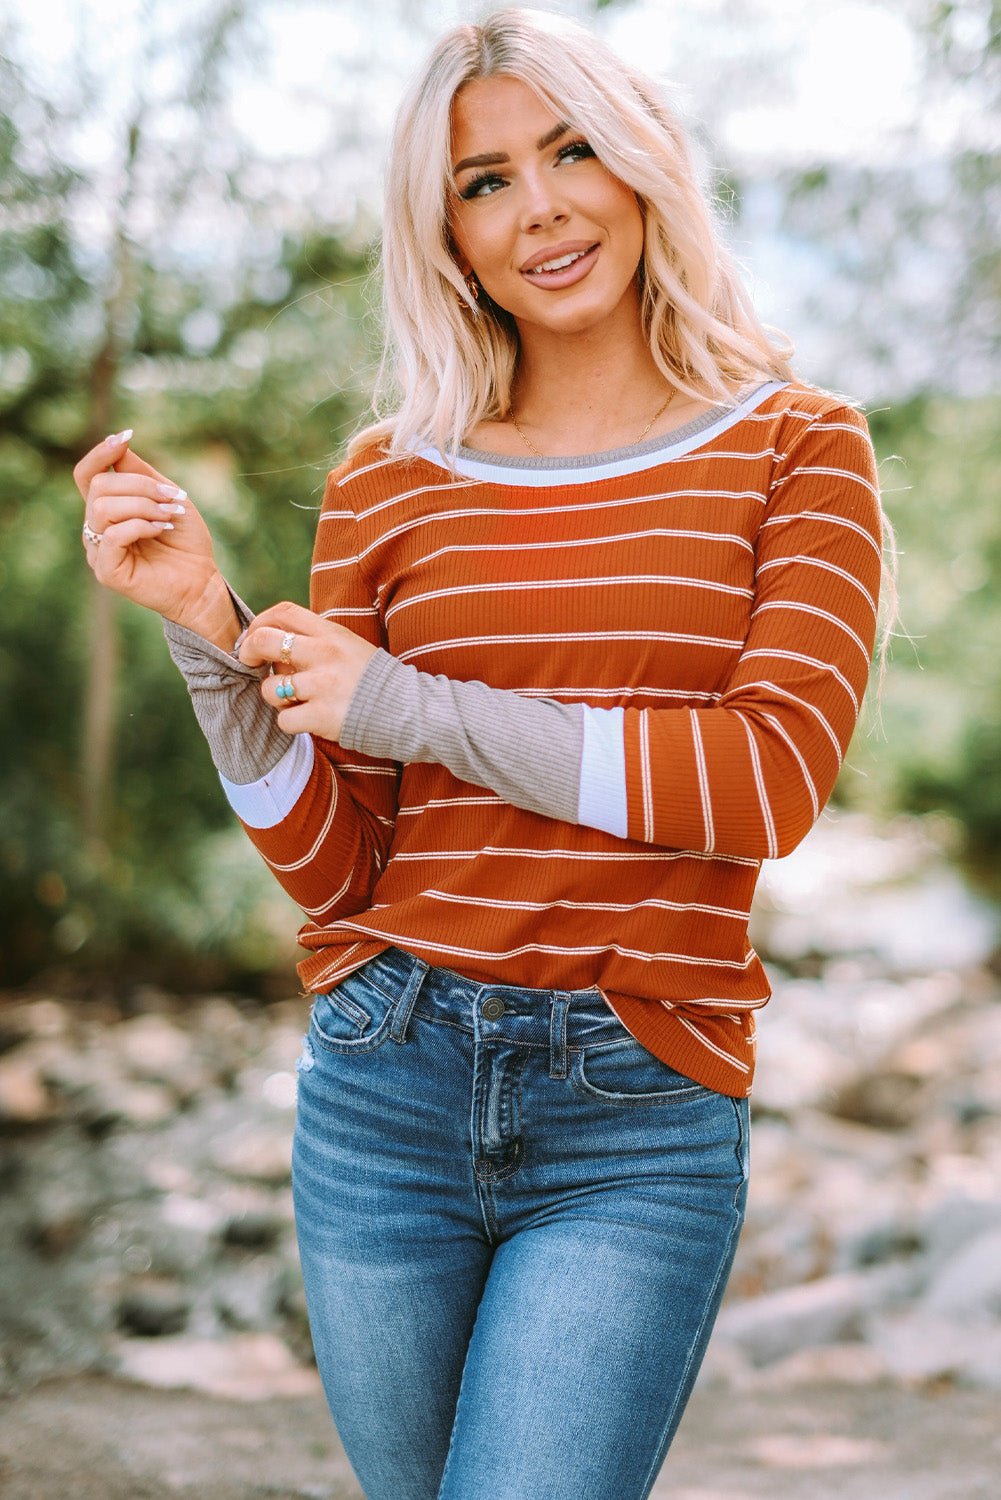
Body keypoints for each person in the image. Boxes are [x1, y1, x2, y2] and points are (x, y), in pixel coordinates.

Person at [73, 9, 885, 1498]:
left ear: (645, 168)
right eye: (484, 179)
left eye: (572, 150)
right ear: (443, 229)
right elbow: (343, 865)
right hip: (386, 1080)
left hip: (633, 1100)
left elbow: (762, 786)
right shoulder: (389, 477)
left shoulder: (798, 448)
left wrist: (413, 709)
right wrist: (206, 626)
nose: (543, 207)